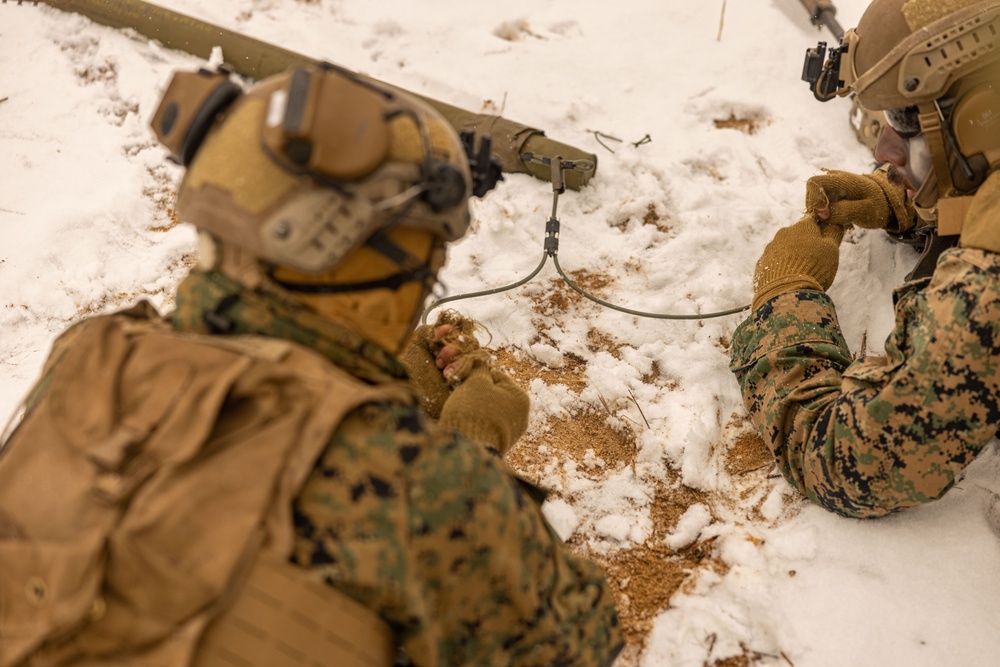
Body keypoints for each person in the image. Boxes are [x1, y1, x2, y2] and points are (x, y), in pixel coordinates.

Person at [0, 64, 622, 666]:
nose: (423, 290)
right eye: (423, 267)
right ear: (342, 261)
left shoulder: (90, 353)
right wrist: (469, 448)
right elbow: (578, 644)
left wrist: (352, 383)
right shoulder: (420, 483)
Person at [730, 0, 1000, 518]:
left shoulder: (984, 290)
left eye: (905, 119)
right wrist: (903, 197)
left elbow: (849, 463)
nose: (884, 152)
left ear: (980, 117)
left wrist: (786, 294)